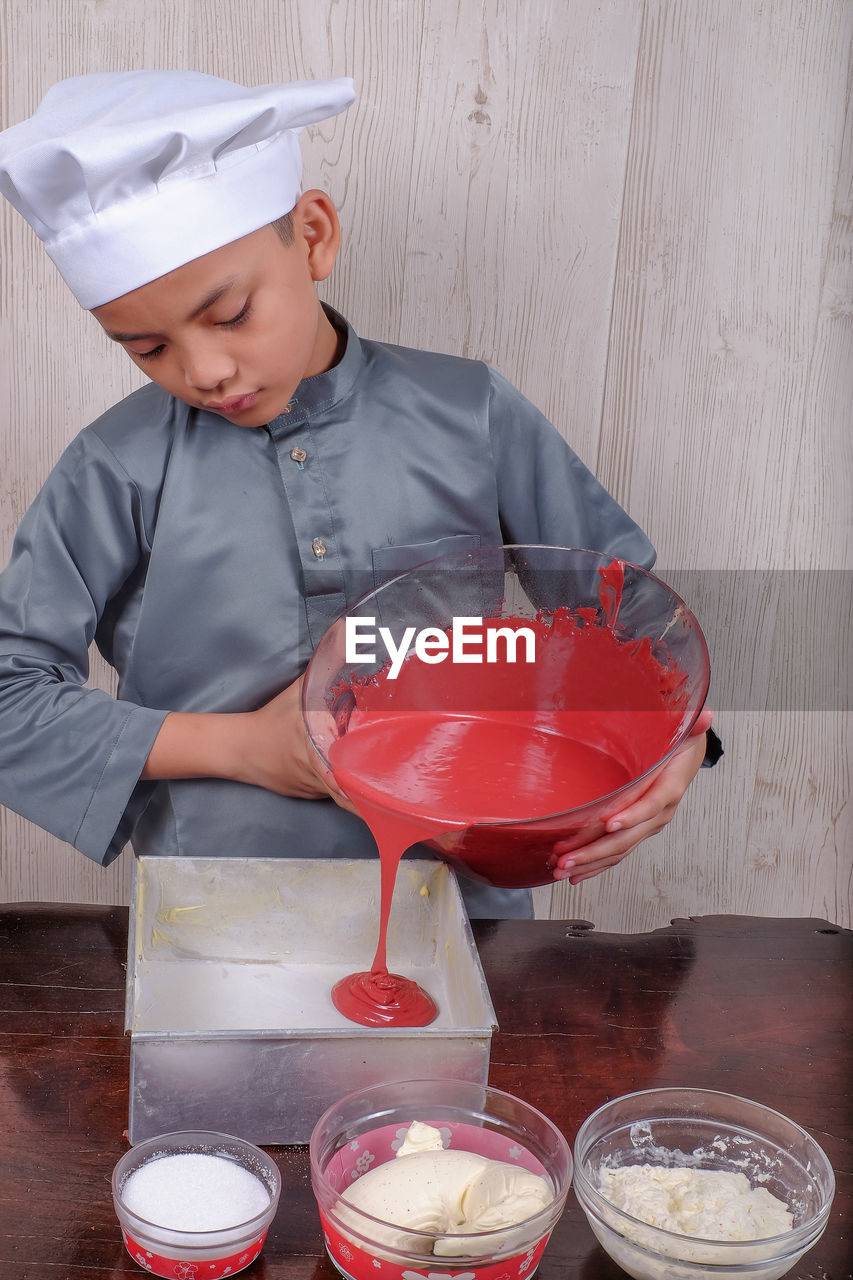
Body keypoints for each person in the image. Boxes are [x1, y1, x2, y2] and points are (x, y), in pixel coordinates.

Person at [0, 70, 716, 918]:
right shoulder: (114, 466)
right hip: (216, 918)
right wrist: (243, 747)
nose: (204, 371)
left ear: (312, 234)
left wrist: (681, 740)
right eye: (148, 349)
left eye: (229, 315)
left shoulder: (471, 413)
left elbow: (632, 613)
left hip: (464, 906)